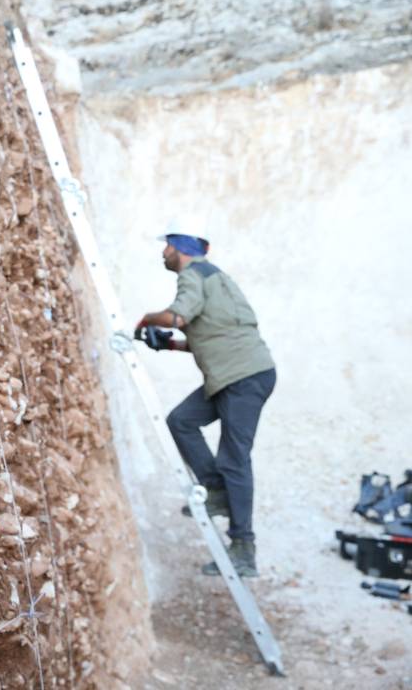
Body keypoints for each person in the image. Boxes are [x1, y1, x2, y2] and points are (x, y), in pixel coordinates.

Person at [136, 223, 276, 578]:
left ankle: (244, 549)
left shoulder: (192, 275)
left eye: (167, 246)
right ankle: (215, 491)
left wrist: (146, 320)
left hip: (240, 379)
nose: (163, 253)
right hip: (239, 375)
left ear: (180, 249)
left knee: (235, 459)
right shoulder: (218, 278)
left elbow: (177, 316)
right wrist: (169, 344)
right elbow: (215, 336)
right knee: (182, 420)